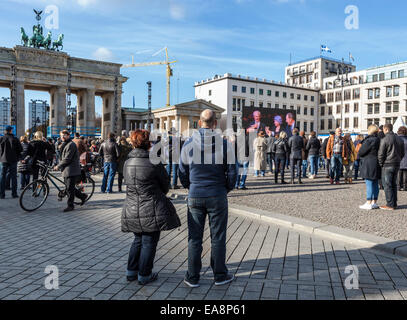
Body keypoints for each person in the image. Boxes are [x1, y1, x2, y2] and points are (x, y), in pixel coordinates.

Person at [179, 109, 237, 288]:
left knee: (194, 238)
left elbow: (182, 172)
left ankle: (193, 276)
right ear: (215, 124)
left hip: (196, 194)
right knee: (218, 237)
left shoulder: (188, 144)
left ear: (199, 123)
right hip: (217, 194)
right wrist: (224, 188)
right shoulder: (225, 144)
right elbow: (233, 173)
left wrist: (192, 187)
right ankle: (220, 275)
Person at [121, 130, 180, 285]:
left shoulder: (127, 162)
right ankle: (144, 275)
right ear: (148, 143)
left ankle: (131, 271)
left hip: (132, 206)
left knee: (137, 240)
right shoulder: (154, 161)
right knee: (149, 241)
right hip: (151, 207)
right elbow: (165, 186)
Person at [54, 130, 87, 212]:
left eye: (64, 135)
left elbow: (67, 158)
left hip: (71, 169)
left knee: (69, 188)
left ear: (69, 135)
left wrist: (58, 166)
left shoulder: (71, 145)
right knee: (70, 188)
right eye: (61, 135)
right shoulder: (64, 144)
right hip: (66, 169)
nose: (62, 137)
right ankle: (82, 196)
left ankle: (70, 205)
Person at [378, 123, 405, 210]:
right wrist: (398, 160)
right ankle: (394, 203)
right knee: (394, 184)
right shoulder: (399, 139)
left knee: (387, 185)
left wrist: (381, 163)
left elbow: (381, 154)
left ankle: (390, 204)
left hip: (387, 164)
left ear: (386, 129)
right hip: (396, 163)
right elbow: (402, 153)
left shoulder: (385, 139)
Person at [358, 125, 381, 210]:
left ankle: (368, 202)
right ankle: (374, 202)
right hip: (376, 162)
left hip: (369, 162)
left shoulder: (369, 140)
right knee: (375, 183)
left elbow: (361, 152)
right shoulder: (379, 139)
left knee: (369, 183)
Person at [0, 126, 22, 198]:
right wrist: (17, 156)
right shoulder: (15, 139)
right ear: (11, 131)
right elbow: (20, 149)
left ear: (5, 131)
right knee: (13, 177)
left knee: (2, 177)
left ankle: (2, 194)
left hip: (3, 160)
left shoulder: (2, 139)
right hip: (13, 160)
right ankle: (14, 194)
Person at [397, 126, 407, 191]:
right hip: (406, 158)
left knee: (399, 172)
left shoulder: (396, 139)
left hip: (398, 158)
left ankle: (398, 186)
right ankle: (405, 186)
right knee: (405, 173)